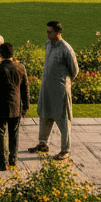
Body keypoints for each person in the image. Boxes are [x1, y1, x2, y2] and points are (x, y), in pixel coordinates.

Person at [29, 20, 79, 160]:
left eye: (50, 32)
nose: (48, 34)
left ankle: (65, 149)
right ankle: (43, 143)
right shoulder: (48, 45)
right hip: (46, 88)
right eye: (47, 32)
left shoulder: (66, 49)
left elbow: (74, 70)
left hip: (60, 90)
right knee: (44, 115)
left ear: (58, 32)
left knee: (63, 119)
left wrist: (65, 82)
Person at [0, 41, 28, 170]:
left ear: (0, 54)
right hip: (15, 106)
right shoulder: (20, 68)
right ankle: (13, 160)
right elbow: (25, 89)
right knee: (14, 134)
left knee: (0, 134)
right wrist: (25, 106)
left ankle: (2, 161)